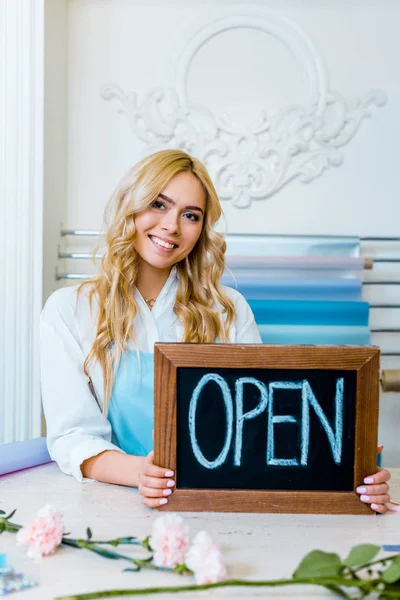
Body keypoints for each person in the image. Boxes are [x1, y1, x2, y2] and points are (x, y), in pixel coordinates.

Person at [40, 149, 391, 512]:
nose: (171, 226)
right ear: (131, 204)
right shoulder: (69, 311)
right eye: (159, 205)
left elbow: (261, 431)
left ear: (201, 229)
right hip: (108, 505)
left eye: (189, 215)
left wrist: (351, 474)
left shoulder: (230, 310)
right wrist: (141, 472)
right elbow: (72, 436)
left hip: (214, 504)